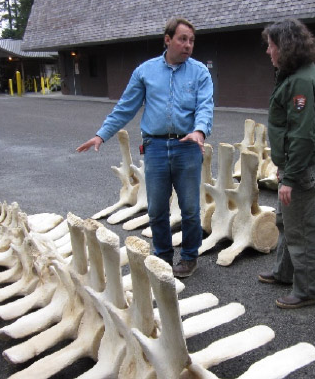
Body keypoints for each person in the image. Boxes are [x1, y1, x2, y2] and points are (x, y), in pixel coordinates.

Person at [76, 18, 213, 278]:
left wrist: (200, 130)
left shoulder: (200, 73)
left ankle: (188, 257)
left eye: (192, 41)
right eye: (183, 39)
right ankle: (162, 255)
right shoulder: (145, 71)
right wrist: (101, 135)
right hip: (156, 147)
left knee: (191, 209)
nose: (188, 45)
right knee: (157, 208)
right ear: (168, 39)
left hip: (188, 146)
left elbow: (205, 106)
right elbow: (125, 107)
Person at [257, 19, 315, 309]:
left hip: (304, 167)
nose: (268, 51)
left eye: (271, 45)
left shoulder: (300, 80)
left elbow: (303, 133)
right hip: (296, 164)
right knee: (287, 221)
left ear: (284, 48)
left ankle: (308, 290)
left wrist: (290, 177)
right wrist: (283, 164)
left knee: (302, 228)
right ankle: (286, 273)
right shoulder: (294, 74)